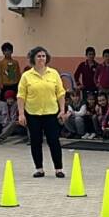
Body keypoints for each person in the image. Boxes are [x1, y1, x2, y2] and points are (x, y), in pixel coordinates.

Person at [17, 46, 67, 179]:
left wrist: (62, 110)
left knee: (53, 141)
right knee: (35, 141)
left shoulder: (54, 73)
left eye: (43, 56)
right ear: (33, 58)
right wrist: (21, 114)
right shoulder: (26, 76)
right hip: (33, 113)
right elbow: (21, 96)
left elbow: (60, 93)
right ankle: (39, 168)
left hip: (51, 112)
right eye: (38, 56)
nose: (41, 58)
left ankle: (58, 169)